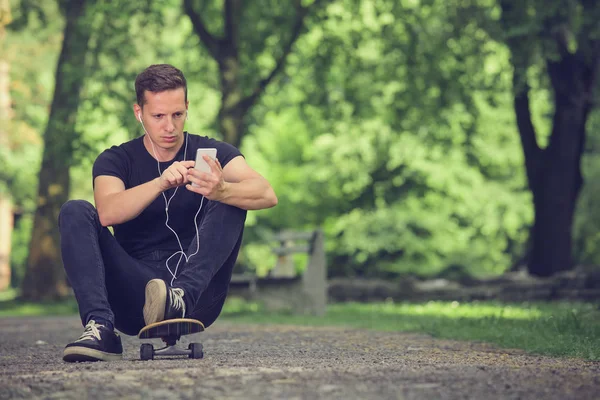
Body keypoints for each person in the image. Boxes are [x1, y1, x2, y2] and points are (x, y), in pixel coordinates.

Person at [59, 64, 277, 362]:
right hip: (136, 295)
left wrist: (221, 190)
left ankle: (179, 299)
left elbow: (267, 193)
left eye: (177, 114)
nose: (170, 127)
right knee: (75, 210)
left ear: (187, 108)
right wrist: (160, 183)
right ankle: (100, 328)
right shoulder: (116, 159)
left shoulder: (212, 152)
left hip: (196, 296)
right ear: (139, 113)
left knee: (234, 195)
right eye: (158, 116)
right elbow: (107, 212)